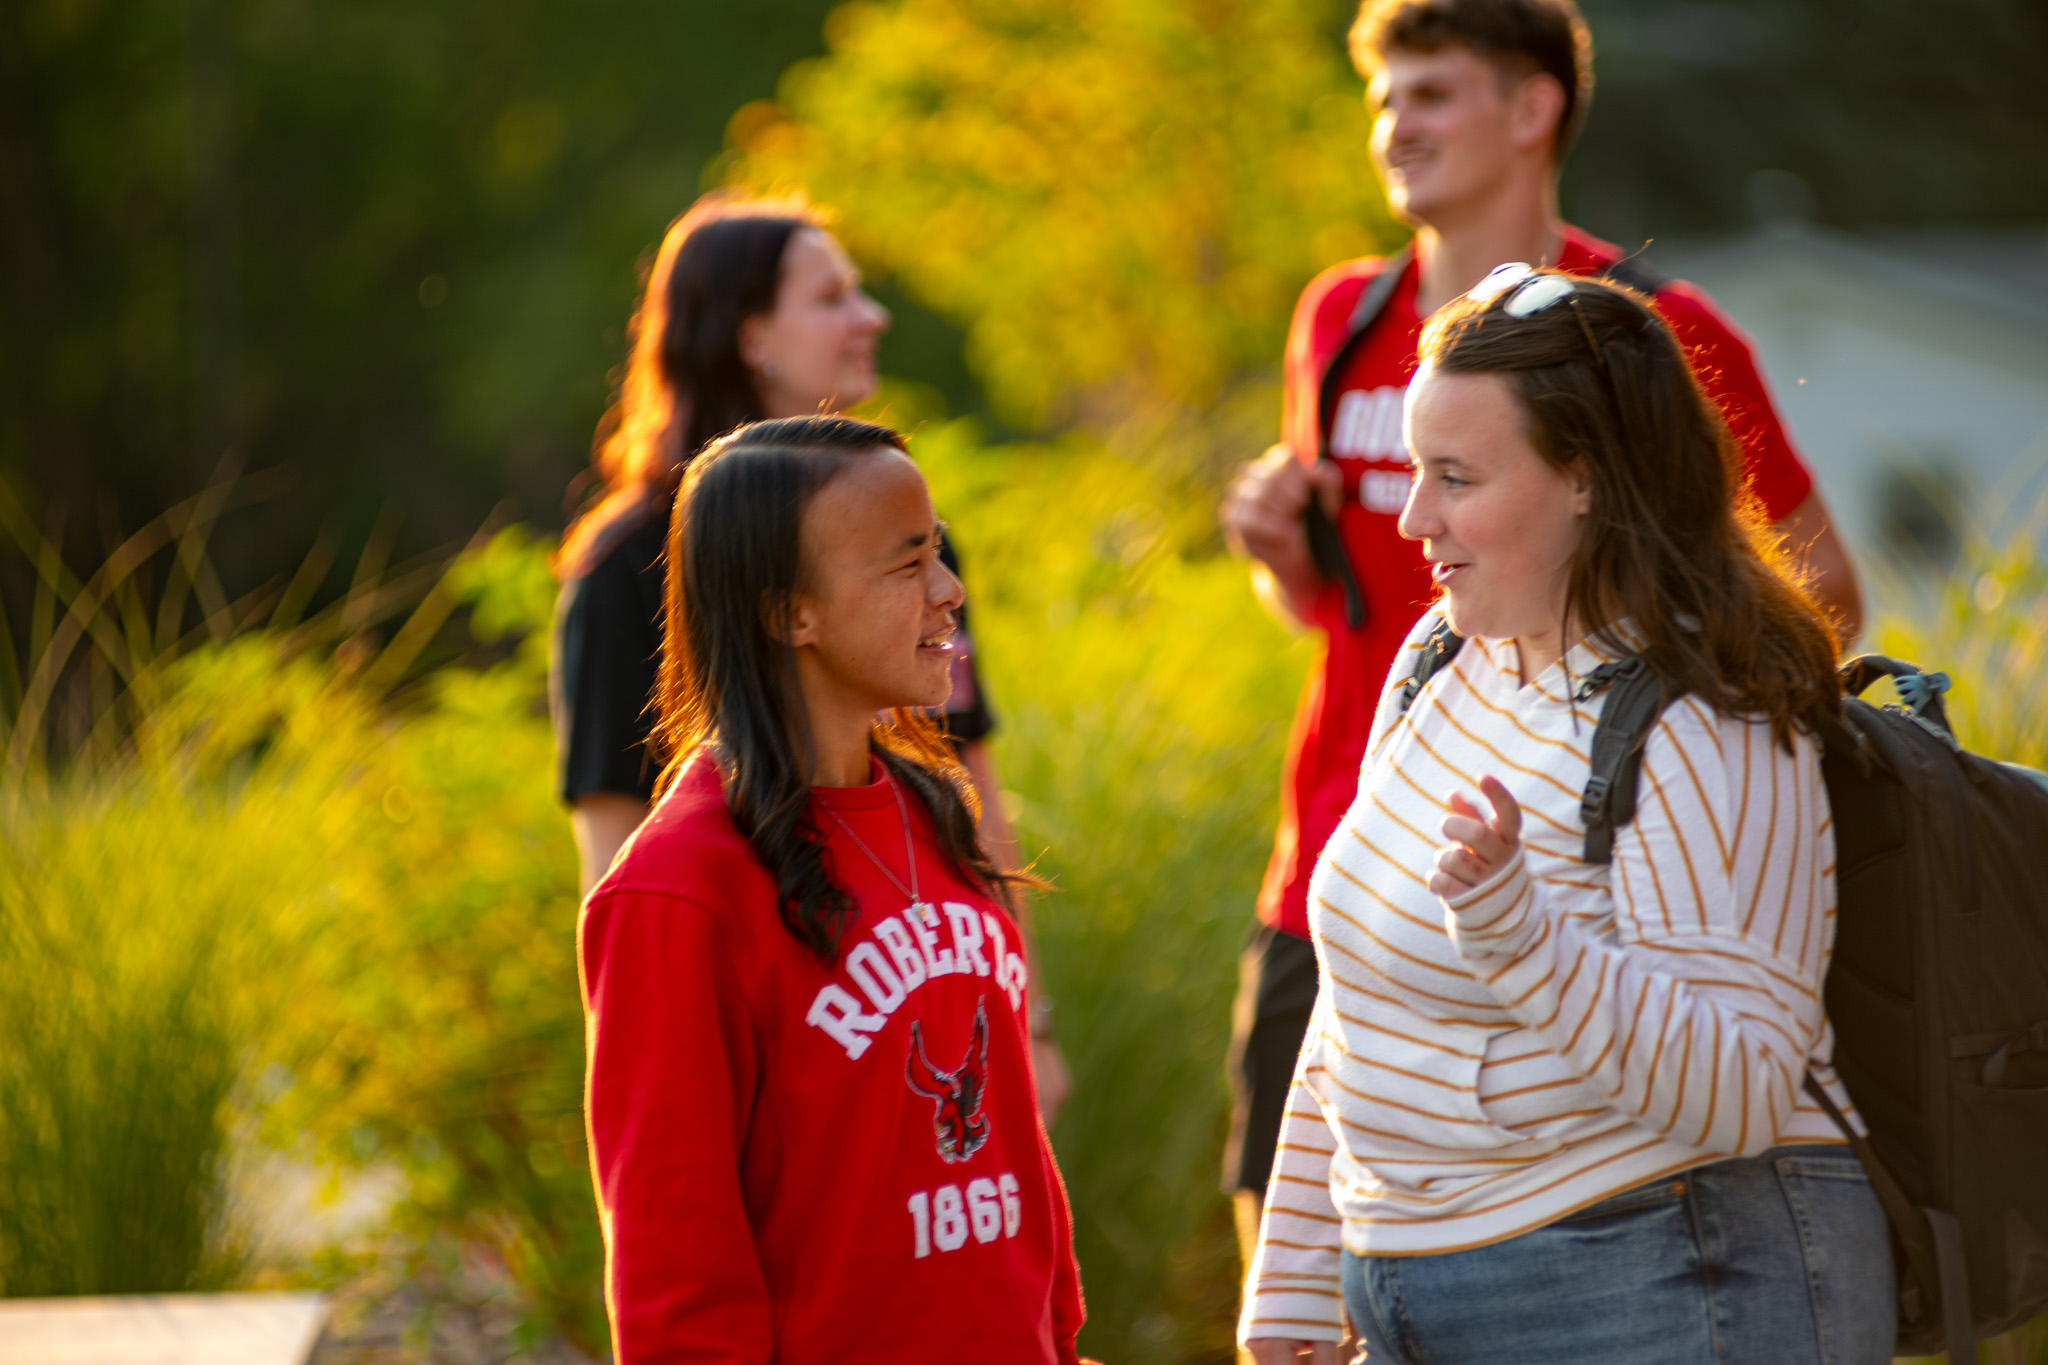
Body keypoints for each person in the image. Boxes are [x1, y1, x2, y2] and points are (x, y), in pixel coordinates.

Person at [1215, 0, 1863, 1265]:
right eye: (1382, 100)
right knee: (1293, 1263)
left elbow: (1813, 592)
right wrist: (1277, 555)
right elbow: (1343, 604)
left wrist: (1614, 703)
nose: (1395, 128)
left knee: (1514, 1259)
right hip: (1339, 866)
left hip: (1554, 888)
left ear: (1531, 109)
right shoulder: (1338, 316)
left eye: (1432, 94)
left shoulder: (1650, 331)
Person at [1238, 267, 1893, 1363]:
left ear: (1584, 479)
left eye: (1455, 477)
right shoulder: (1440, 662)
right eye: (1413, 471)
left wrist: (1519, 934)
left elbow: (1734, 1090)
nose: (1411, 517)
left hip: (1666, 1286)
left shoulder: (1709, 713)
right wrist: (1298, 1283)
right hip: (1413, 1301)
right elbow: (1357, 1005)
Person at [579, 415, 1090, 1364]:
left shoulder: (938, 810)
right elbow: (673, 1273)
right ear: (788, 612)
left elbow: (1012, 1155)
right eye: (906, 566)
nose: (951, 592)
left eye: (937, 551)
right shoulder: (675, 891)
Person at [551, 192, 1071, 1116]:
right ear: (750, 335)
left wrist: (1022, 1017)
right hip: (766, 1051)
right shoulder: (627, 562)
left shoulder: (910, 531)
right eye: (832, 298)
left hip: (924, 1006)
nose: (870, 317)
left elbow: (969, 777)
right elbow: (612, 845)